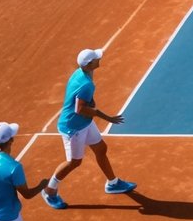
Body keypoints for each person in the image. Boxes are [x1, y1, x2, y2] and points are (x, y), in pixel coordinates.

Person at [41, 48, 137, 210]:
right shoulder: (86, 84)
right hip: (73, 127)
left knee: (101, 148)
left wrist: (91, 104)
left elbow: (80, 101)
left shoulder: (79, 74)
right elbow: (80, 109)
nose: (99, 59)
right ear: (90, 64)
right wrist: (108, 118)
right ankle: (50, 191)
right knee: (74, 162)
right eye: (96, 58)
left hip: (84, 122)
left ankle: (112, 184)